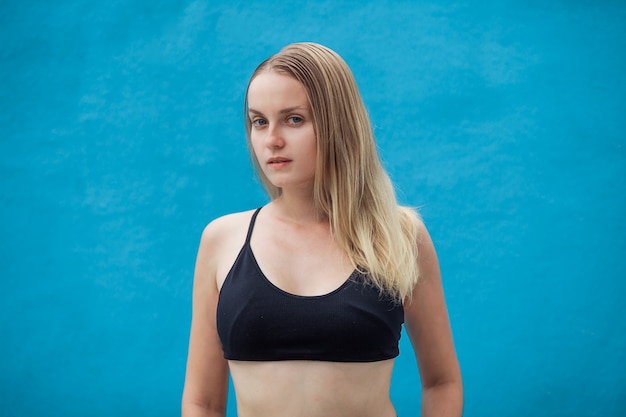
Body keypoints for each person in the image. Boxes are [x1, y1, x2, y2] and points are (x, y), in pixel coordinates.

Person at [181, 42, 463, 417]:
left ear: (338, 123)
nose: (272, 140)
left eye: (294, 119)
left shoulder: (400, 236)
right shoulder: (223, 239)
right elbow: (203, 402)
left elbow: (441, 382)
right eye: (259, 121)